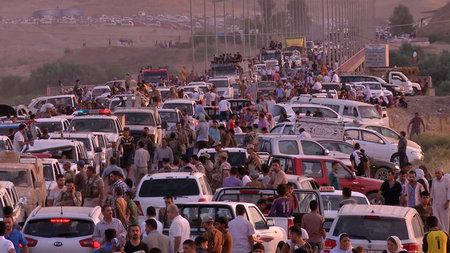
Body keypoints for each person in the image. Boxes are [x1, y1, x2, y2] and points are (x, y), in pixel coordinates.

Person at [430, 168, 450, 233]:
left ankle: (445, 233)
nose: (437, 174)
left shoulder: (446, 180)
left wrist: (447, 202)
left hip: (444, 203)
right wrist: (431, 201)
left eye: (438, 173)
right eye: (436, 173)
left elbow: (449, 191)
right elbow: (432, 191)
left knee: (444, 219)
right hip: (435, 203)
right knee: (436, 217)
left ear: (442, 173)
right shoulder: (434, 180)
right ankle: (438, 232)